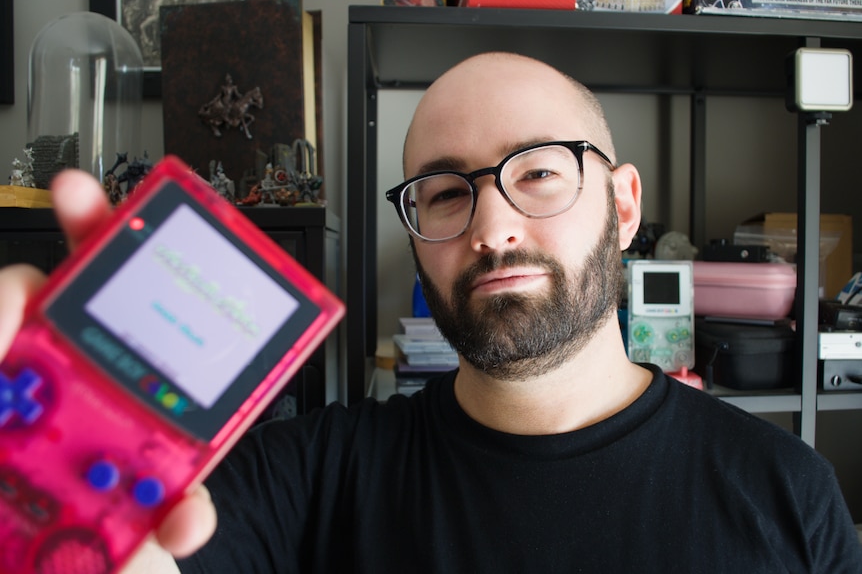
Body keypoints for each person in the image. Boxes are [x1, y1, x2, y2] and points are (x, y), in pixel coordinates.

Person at [1, 52, 860, 573]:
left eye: (538, 171)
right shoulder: (305, 478)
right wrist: (41, 474)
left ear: (625, 204)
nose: (492, 226)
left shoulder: (788, 493)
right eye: (446, 191)